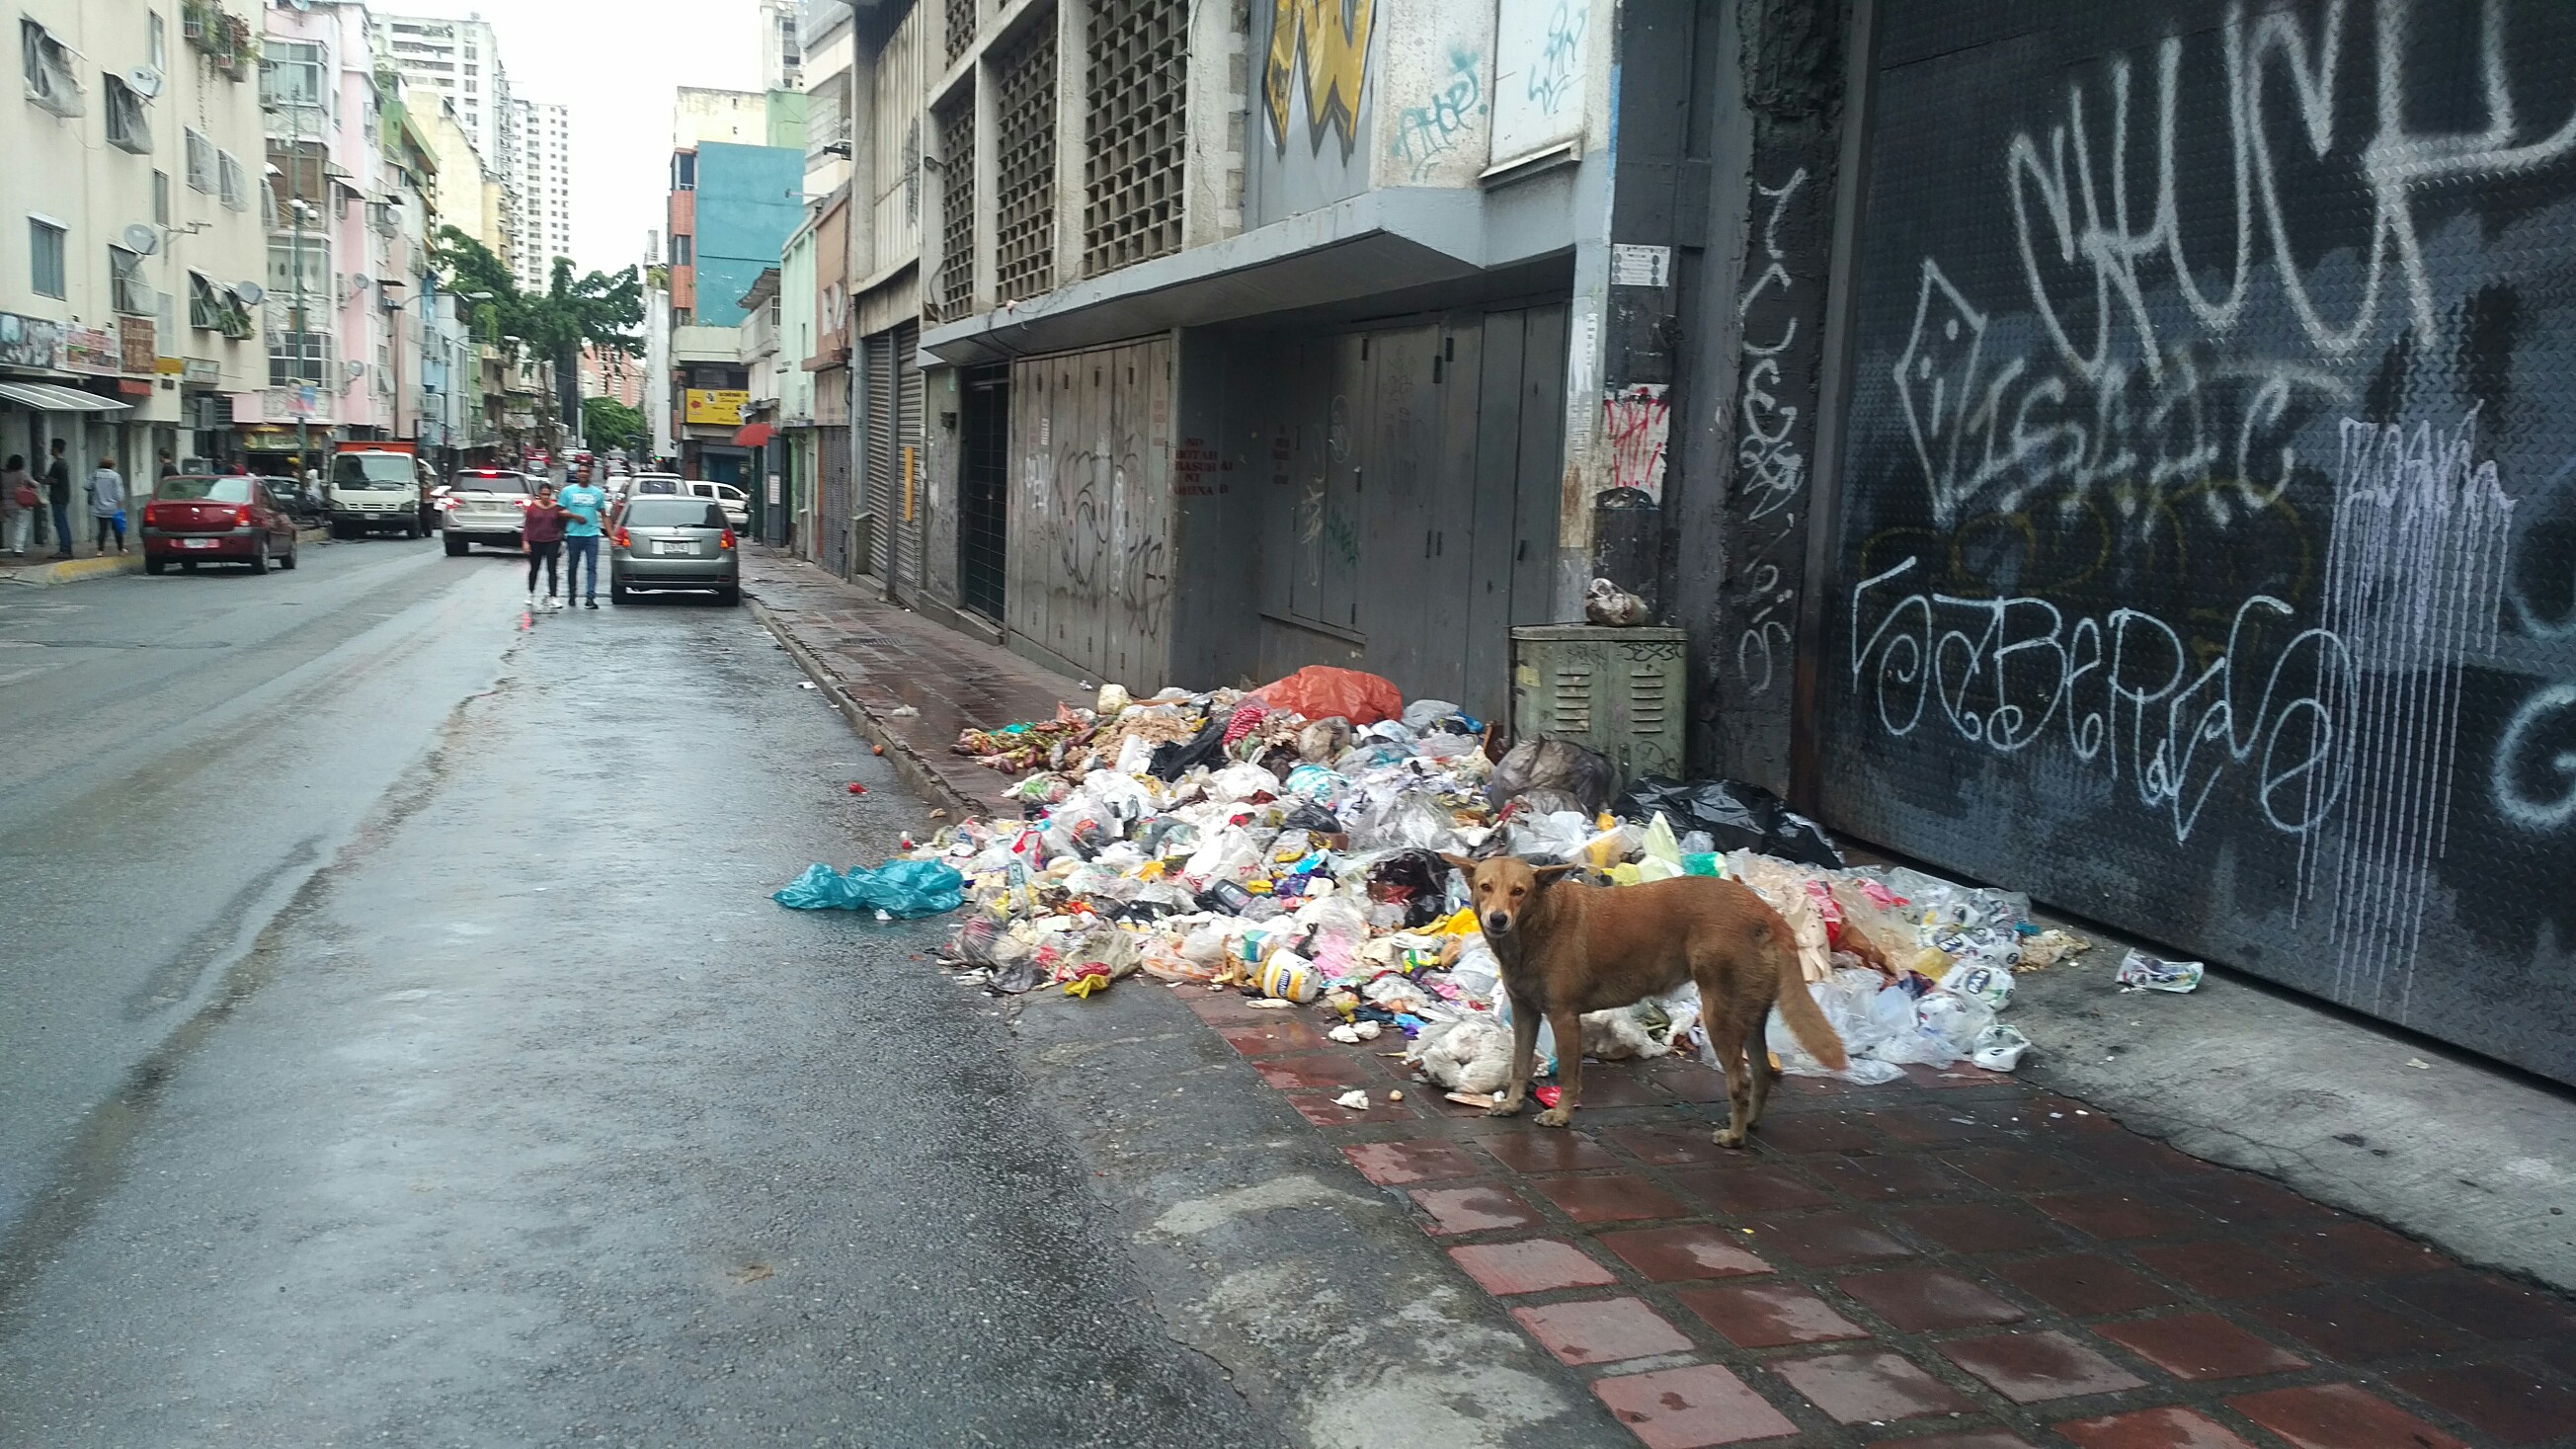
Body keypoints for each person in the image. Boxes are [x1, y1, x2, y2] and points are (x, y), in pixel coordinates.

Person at [557, 462, 608, 608]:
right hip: (573, 534)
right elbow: (558, 512)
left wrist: (611, 535)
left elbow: (604, 515)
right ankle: (572, 594)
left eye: (586, 471)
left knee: (591, 567)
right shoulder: (568, 492)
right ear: (577, 474)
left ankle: (590, 597)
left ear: (590, 474)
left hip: (592, 535)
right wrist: (574, 516)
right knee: (572, 566)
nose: (584, 474)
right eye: (581, 471)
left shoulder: (597, 493)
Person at [522, 480, 572, 607]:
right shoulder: (532, 507)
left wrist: (560, 536)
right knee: (534, 568)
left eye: (548, 494)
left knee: (552, 569)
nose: (545, 497)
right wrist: (525, 541)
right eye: (543, 494)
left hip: (552, 541)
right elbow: (527, 525)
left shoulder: (556, 508)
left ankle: (553, 597)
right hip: (535, 541)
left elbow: (563, 524)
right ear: (539, 494)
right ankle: (530, 593)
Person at [86, 455, 126, 554]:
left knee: (102, 530)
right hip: (113, 508)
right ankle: (121, 549)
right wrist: (121, 506)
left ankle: (100, 550)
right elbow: (119, 494)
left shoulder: (95, 474)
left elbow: (86, 485)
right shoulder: (115, 476)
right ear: (112, 466)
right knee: (117, 529)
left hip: (99, 507)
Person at [44, 439, 74, 559]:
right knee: (63, 522)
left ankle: (65, 549)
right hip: (63, 496)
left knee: (61, 523)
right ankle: (66, 548)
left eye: (52, 447)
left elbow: (50, 480)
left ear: (56, 449)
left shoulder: (57, 464)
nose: (50, 450)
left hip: (58, 497)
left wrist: (40, 479)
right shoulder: (64, 464)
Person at [3, 454, 33, 555]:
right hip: (21, 503)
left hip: (8, 504)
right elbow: (34, 483)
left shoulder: (5, 475)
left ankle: (13, 546)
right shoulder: (22, 474)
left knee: (14, 525)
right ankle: (18, 548)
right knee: (22, 526)